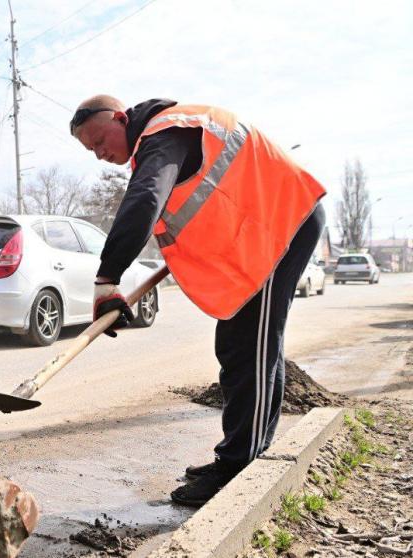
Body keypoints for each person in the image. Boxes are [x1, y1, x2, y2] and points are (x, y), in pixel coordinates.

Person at [70, 95, 326, 506]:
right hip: (257, 233)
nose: (100, 153)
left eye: (100, 140)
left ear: (120, 118)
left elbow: (145, 200)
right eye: (91, 150)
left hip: (279, 222)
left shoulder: (165, 133)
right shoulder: (162, 139)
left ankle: (238, 467)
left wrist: (108, 278)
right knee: (246, 344)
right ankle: (242, 454)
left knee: (249, 345)